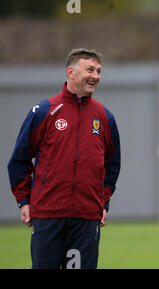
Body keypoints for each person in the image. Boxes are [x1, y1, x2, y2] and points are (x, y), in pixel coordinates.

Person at [7, 48, 121, 269]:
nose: (96, 76)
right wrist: (24, 201)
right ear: (71, 71)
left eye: (99, 71)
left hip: (86, 217)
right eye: (90, 69)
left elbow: (111, 166)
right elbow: (19, 161)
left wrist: (103, 203)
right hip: (48, 215)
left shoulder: (105, 117)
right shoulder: (44, 111)